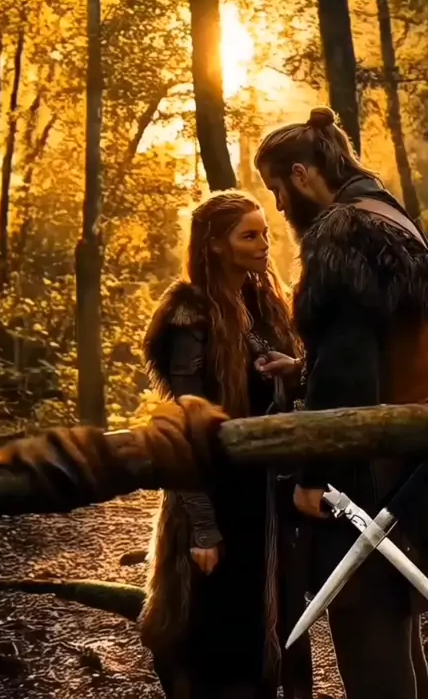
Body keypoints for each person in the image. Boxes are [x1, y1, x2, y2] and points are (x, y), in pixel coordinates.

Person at [253, 105, 428, 699]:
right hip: (408, 456)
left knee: (368, 626)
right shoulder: (389, 215)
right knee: (396, 620)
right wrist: (305, 368)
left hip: (367, 470)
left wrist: (314, 476)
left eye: (277, 189)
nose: (279, 206)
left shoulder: (340, 232)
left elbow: (351, 370)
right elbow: (378, 345)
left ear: (301, 174)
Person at [139, 190, 312, 699]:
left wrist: (290, 374)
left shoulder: (265, 304)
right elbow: (185, 423)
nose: (264, 244)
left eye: (264, 232)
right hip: (213, 497)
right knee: (211, 642)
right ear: (215, 244)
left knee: (265, 635)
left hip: (265, 501)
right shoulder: (189, 315)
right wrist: (203, 527)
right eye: (249, 235)